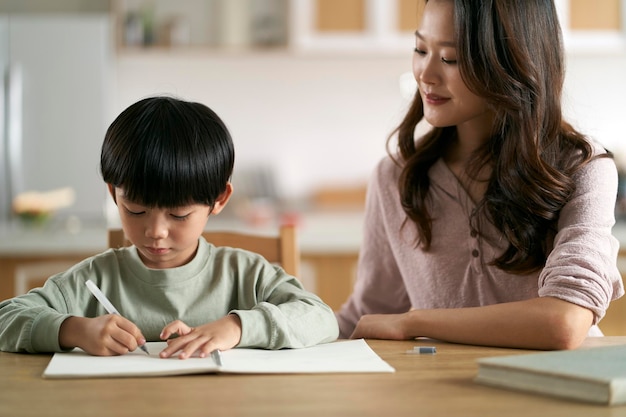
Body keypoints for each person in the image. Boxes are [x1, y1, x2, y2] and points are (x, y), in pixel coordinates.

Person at [336, 0, 624, 350]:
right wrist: (268, 327)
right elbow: (367, 315)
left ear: (513, 63)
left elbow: (563, 322)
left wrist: (415, 321)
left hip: (563, 395)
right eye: (420, 49)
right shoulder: (395, 177)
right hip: (450, 396)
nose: (426, 74)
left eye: (450, 58)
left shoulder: (584, 169)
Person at [0, 96, 338, 359]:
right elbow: (7, 317)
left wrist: (236, 327)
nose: (156, 231)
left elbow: (321, 318)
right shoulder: (94, 280)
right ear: (113, 194)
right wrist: (71, 330)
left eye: (178, 215)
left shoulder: (244, 274)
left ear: (219, 199)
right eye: (135, 210)